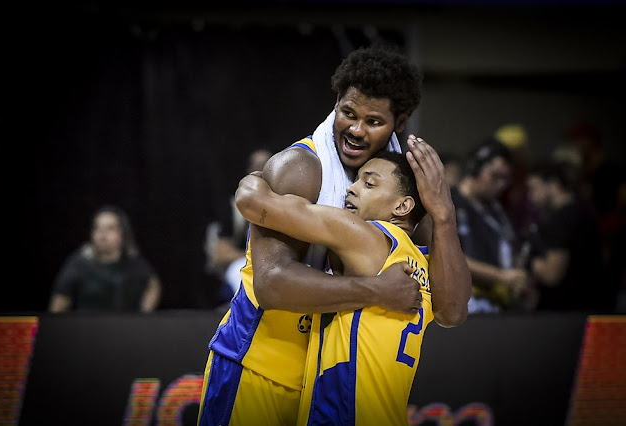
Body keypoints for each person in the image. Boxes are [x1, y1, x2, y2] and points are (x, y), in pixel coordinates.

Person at [197, 45, 471, 425]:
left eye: (374, 121)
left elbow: (452, 311)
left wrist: (444, 216)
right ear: (337, 102)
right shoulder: (300, 167)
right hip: (258, 365)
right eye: (348, 113)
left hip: (322, 383)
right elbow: (272, 285)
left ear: (400, 122)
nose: (357, 130)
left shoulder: (400, 186)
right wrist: (375, 291)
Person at [235, 147, 466, 424]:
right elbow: (454, 311)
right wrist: (445, 214)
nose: (351, 189)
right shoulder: (426, 265)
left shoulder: (367, 236)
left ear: (402, 207)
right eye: (355, 180)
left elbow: (253, 202)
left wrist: (253, 178)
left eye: (369, 183)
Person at [452, 138, 531, 313]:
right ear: (474, 169)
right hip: (465, 304)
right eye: (495, 176)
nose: (501, 185)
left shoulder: (497, 210)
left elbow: (513, 246)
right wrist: (501, 277)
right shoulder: (449, 203)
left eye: (506, 178)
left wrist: (518, 276)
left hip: (497, 304)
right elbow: (449, 256)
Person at [48, 205, 161, 313]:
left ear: (122, 233)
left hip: (125, 329)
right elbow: (59, 301)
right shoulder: (79, 263)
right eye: (97, 228)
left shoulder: (134, 262)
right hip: (88, 328)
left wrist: (145, 313)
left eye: (110, 228)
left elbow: (153, 284)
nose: (103, 234)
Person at [526, 162, 605, 311]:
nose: (531, 196)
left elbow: (552, 274)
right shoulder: (583, 211)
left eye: (534, 188)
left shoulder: (562, 219)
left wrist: (527, 261)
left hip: (567, 310)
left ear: (553, 184)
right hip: (587, 306)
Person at [204, 148, 273, 304]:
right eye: (259, 165)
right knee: (241, 270)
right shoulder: (233, 208)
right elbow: (220, 253)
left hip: (275, 264)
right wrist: (255, 259)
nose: (263, 170)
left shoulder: (287, 204)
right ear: (249, 171)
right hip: (243, 263)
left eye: (268, 165)